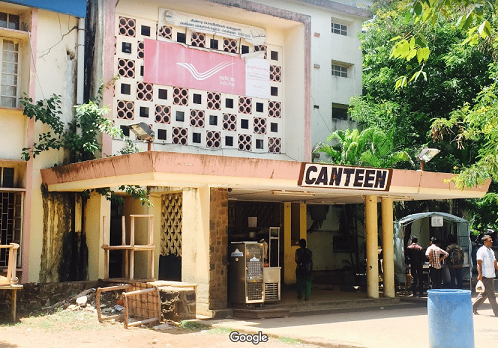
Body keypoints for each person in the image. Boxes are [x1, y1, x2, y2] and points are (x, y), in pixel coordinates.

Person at [472, 234, 498, 316]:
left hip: (491, 275)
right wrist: (479, 274)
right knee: (492, 295)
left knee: (483, 294)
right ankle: (496, 312)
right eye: (490, 241)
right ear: (485, 242)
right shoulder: (481, 250)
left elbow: (495, 262)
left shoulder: (491, 251)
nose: (491, 242)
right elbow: (479, 264)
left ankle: (472, 308)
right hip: (485, 276)